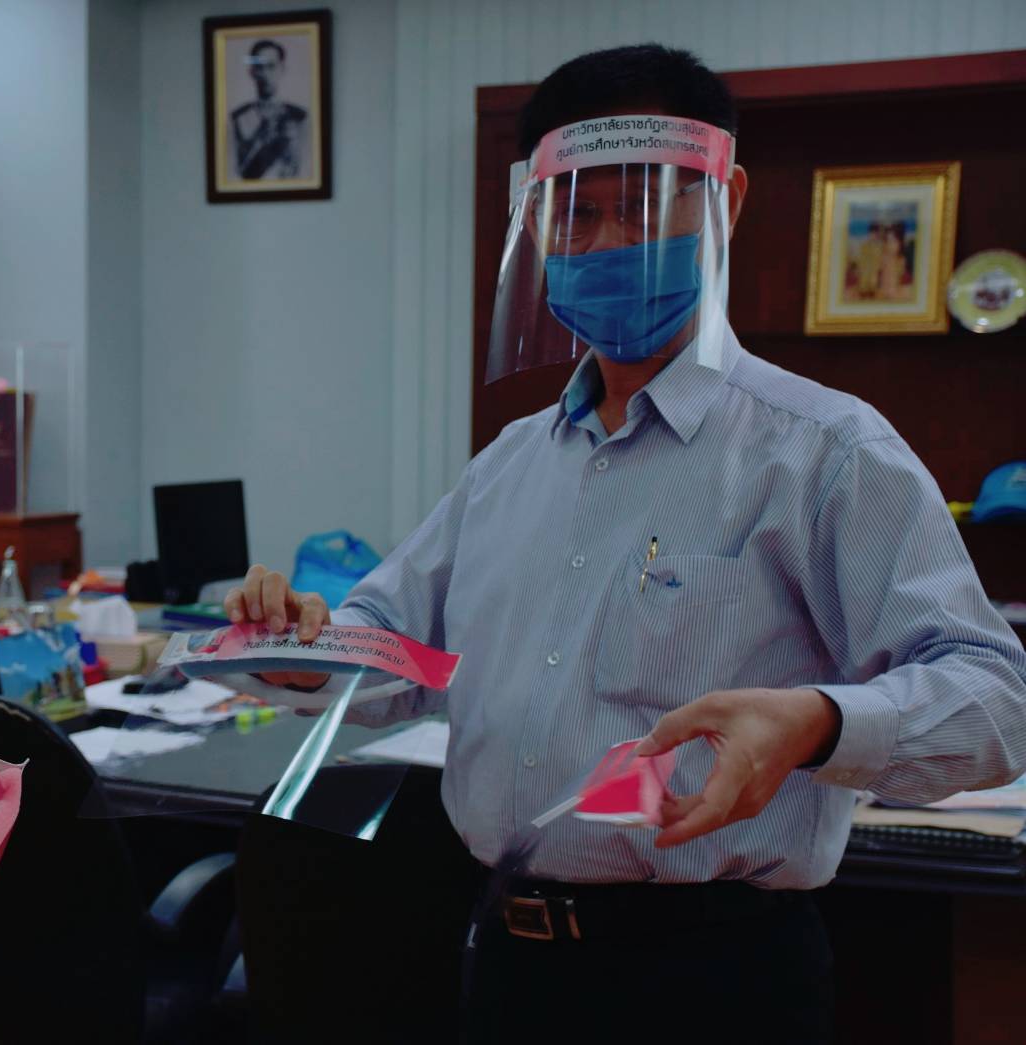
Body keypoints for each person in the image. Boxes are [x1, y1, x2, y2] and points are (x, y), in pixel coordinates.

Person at [226, 44, 1026, 1043]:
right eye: (576, 213)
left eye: (642, 206)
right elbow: (404, 656)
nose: (607, 241)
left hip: (711, 979)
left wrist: (818, 722)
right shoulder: (513, 461)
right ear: (535, 223)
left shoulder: (824, 451)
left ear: (724, 201)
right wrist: (303, 644)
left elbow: (996, 699)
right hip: (508, 960)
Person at [230, 39, 309, 180]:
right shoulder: (238, 118)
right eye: (259, 67)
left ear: (282, 69)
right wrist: (258, 139)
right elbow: (238, 173)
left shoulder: (299, 117)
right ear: (252, 72)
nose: (265, 74)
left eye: (271, 66)